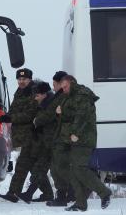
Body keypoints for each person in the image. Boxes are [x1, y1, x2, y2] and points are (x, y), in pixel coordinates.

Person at [58, 75, 111, 211]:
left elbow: (82, 116)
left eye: (65, 87)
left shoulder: (83, 95)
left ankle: (104, 192)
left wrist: (75, 133)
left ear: (72, 83)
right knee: (74, 170)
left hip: (84, 138)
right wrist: (61, 112)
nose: (63, 90)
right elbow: (70, 116)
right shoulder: (70, 96)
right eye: (62, 87)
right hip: (74, 138)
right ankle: (81, 203)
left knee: (79, 168)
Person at [0, 68, 38, 203]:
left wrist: (11, 118)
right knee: (31, 166)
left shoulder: (34, 92)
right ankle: (48, 193)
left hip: (32, 134)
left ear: (30, 79)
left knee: (22, 164)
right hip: (21, 135)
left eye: (24, 79)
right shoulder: (19, 92)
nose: (21, 81)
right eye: (19, 79)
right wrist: (6, 116)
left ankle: (13, 193)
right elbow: (14, 109)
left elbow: (30, 115)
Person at [17, 81, 55, 203]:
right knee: (38, 169)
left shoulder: (51, 105)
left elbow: (46, 119)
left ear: (44, 94)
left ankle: (29, 194)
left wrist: (36, 121)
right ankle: (47, 194)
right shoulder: (45, 103)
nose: (35, 98)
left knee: (40, 169)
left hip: (50, 143)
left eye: (37, 95)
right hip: (43, 142)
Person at [46, 70, 75, 207]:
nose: (54, 88)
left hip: (63, 137)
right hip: (58, 136)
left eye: (55, 84)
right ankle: (66, 194)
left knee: (60, 167)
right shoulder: (60, 97)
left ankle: (66, 195)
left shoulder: (64, 97)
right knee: (57, 167)